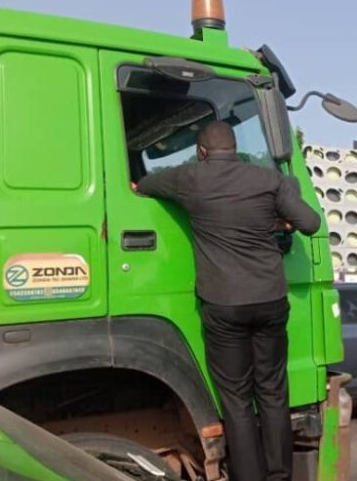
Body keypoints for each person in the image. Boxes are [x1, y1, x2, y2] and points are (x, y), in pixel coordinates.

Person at [136, 121, 320, 481]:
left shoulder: (190, 178)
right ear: (234, 149)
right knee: (272, 391)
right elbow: (310, 222)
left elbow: (144, 184)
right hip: (269, 300)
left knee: (236, 399)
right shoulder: (267, 180)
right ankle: (280, 476)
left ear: (201, 152)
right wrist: (280, 220)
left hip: (224, 305)